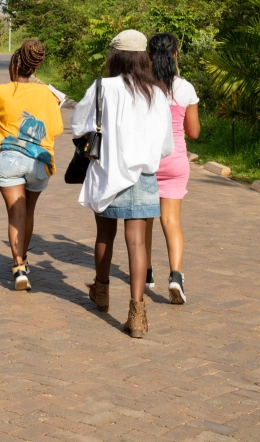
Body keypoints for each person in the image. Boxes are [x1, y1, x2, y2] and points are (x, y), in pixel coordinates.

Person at [71, 29, 173, 338]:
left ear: (115, 56)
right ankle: (137, 313)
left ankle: (101, 293)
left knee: (105, 235)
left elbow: (79, 126)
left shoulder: (103, 87)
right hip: (143, 175)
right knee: (137, 241)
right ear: (144, 56)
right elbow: (166, 145)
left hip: (107, 172)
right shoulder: (157, 92)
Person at [0, 40, 63, 291]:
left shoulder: (0, 91)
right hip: (39, 162)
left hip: (9, 159)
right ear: (35, 68)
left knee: (15, 214)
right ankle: (24, 261)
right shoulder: (47, 95)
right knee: (28, 213)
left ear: (14, 64)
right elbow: (58, 129)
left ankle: (18, 267)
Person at [147, 33, 200, 304]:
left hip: (147, 161)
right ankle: (176, 276)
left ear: (148, 56)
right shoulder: (185, 89)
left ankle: (145, 272)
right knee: (171, 221)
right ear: (176, 55)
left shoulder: (143, 86)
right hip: (176, 161)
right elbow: (193, 132)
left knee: (144, 219)